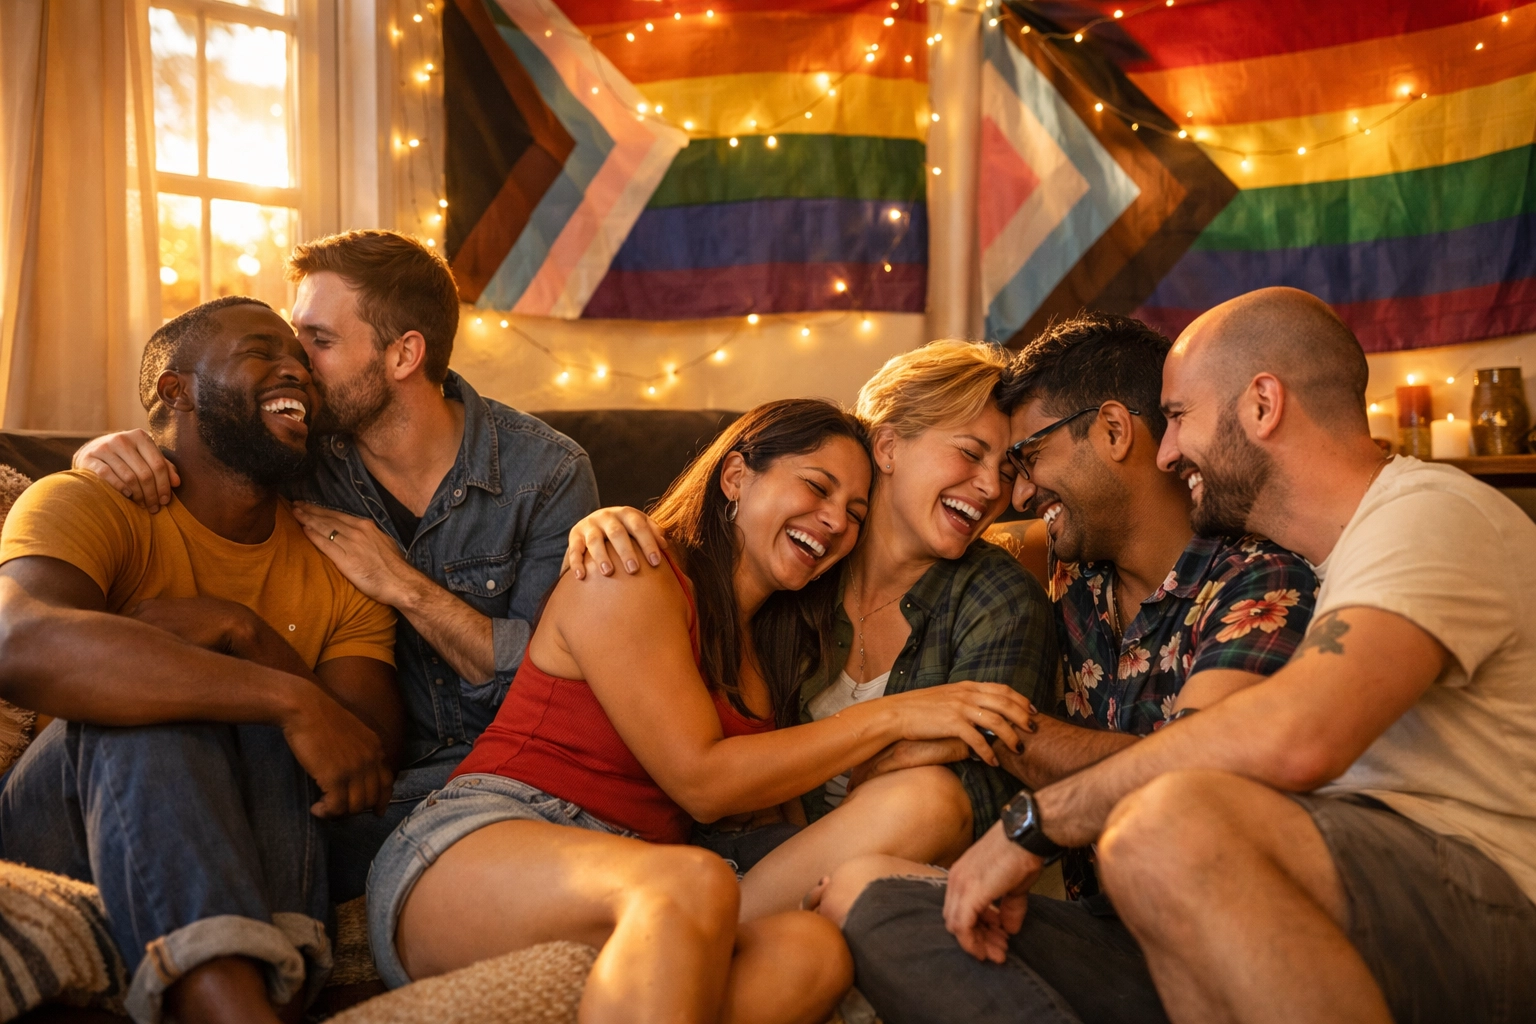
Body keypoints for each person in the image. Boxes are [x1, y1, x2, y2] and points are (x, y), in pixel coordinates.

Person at [821, 287, 1536, 1024]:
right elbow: (987, 540)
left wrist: (1035, 816)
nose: (1165, 452)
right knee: (872, 890)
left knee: (1163, 824)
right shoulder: (1284, 556)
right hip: (1230, 900)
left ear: (1262, 405)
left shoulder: (1426, 515)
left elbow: (1293, 738)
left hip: (1482, 896)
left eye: (1178, 418)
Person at [370, 400, 1039, 1024]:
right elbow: (703, 781)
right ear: (736, 476)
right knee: (689, 884)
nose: (836, 521)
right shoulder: (631, 566)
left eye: (856, 511)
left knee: (813, 951)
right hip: (491, 837)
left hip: (650, 871)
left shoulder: (772, 642)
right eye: (816, 487)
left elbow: (769, 811)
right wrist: (897, 717)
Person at [72, 230, 598, 900]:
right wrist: (102, 453)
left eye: (318, 342)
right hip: (362, 784)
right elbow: (197, 437)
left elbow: (552, 685)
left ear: (405, 353)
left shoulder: (545, 472)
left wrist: (402, 587)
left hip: (521, 773)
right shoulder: (297, 454)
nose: (297, 364)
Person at [0, 297, 400, 1024]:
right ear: (176, 389)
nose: (296, 372)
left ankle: (230, 991)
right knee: (137, 703)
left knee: (188, 691)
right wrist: (291, 699)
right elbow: (16, 641)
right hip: (68, 827)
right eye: (259, 350)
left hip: (269, 845)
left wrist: (240, 632)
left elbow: (365, 757)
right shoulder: (88, 501)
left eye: (304, 362)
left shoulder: (341, 560)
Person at [562, 341, 1058, 920]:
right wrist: (609, 520)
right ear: (890, 445)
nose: (992, 489)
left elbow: (983, 775)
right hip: (732, 850)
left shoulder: (998, 598)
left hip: (891, 869)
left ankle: (714, 928)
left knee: (927, 799)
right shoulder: (802, 566)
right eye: (970, 454)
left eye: (1005, 472)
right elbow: (683, 590)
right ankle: (707, 928)